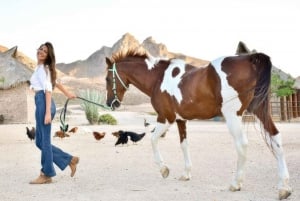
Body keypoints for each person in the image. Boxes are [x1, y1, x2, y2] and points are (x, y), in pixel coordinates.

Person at [29, 42, 79, 184]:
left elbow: (49, 90)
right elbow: (55, 82)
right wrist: (68, 93)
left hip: (44, 102)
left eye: (45, 51)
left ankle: (46, 174)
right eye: (40, 49)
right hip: (41, 102)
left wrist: (47, 113)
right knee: (39, 141)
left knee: (44, 141)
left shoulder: (43, 69)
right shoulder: (42, 68)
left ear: (48, 55)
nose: (41, 52)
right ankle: (70, 160)